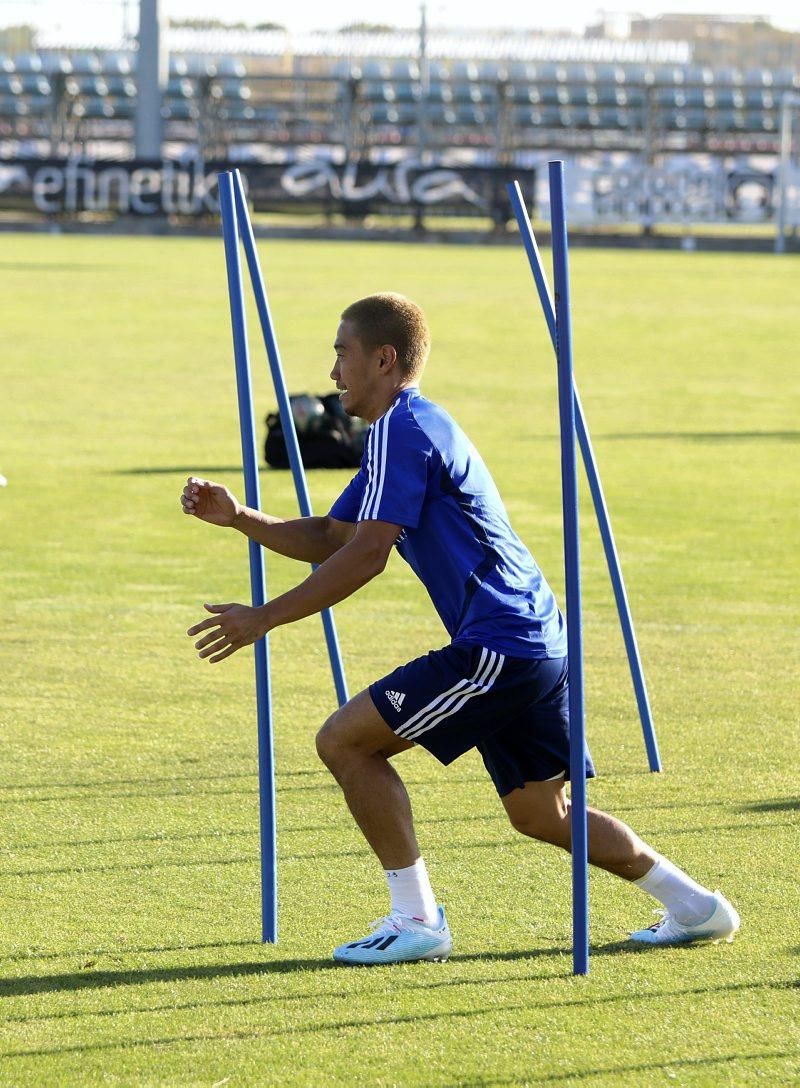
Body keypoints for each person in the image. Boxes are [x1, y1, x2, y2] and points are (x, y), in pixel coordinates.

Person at [181, 292, 739, 965]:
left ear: (383, 360)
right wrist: (242, 516)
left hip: (500, 643)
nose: (332, 372)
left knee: (345, 742)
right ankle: (696, 907)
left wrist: (264, 618)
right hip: (533, 640)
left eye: (341, 354)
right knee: (541, 813)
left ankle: (415, 920)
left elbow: (366, 555)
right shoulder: (409, 427)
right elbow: (334, 534)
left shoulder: (402, 431)